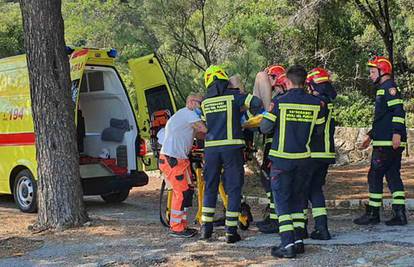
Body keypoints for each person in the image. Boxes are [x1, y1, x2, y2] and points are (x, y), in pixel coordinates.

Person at [260, 65, 325, 258]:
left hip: (281, 160)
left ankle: (287, 244)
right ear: (304, 82)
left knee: (281, 202)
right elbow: (319, 131)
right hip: (304, 160)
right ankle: (298, 242)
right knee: (298, 201)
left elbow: (264, 128)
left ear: (287, 82)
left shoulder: (279, 102)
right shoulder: (316, 103)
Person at [200, 65, 262, 243]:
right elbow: (256, 102)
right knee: (233, 189)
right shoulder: (234, 97)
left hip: (211, 150)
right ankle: (230, 232)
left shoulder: (205, 102)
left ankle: (206, 229)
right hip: (232, 148)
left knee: (210, 187)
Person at [353, 55, 408, 226]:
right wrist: (370, 136)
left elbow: (398, 111)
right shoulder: (384, 88)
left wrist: (397, 133)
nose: (370, 75)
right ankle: (400, 214)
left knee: (375, 175)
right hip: (385, 140)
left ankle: (373, 214)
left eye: (372, 71)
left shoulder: (388, 87)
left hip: (387, 143)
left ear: (382, 71)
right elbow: (382, 118)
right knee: (392, 176)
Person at [158, 93, 207, 238]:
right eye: (200, 103)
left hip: (179, 160)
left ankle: (182, 225)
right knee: (180, 194)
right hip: (172, 159)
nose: (201, 107)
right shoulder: (188, 113)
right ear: (191, 102)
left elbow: (199, 134)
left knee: (185, 192)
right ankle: (177, 228)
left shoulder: (184, 116)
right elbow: (203, 129)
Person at [305, 67, 337, 240]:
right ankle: (321, 227)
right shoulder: (327, 100)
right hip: (325, 153)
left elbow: (312, 129)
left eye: (309, 86)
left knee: (303, 188)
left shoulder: (317, 102)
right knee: (315, 189)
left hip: (313, 152)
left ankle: (300, 228)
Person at [256, 65, 288, 234]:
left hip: (274, 144)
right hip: (277, 143)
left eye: (269, 78)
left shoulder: (279, 99)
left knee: (269, 178)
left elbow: (267, 127)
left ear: (275, 79)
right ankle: (274, 214)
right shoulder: (281, 96)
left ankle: (276, 217)